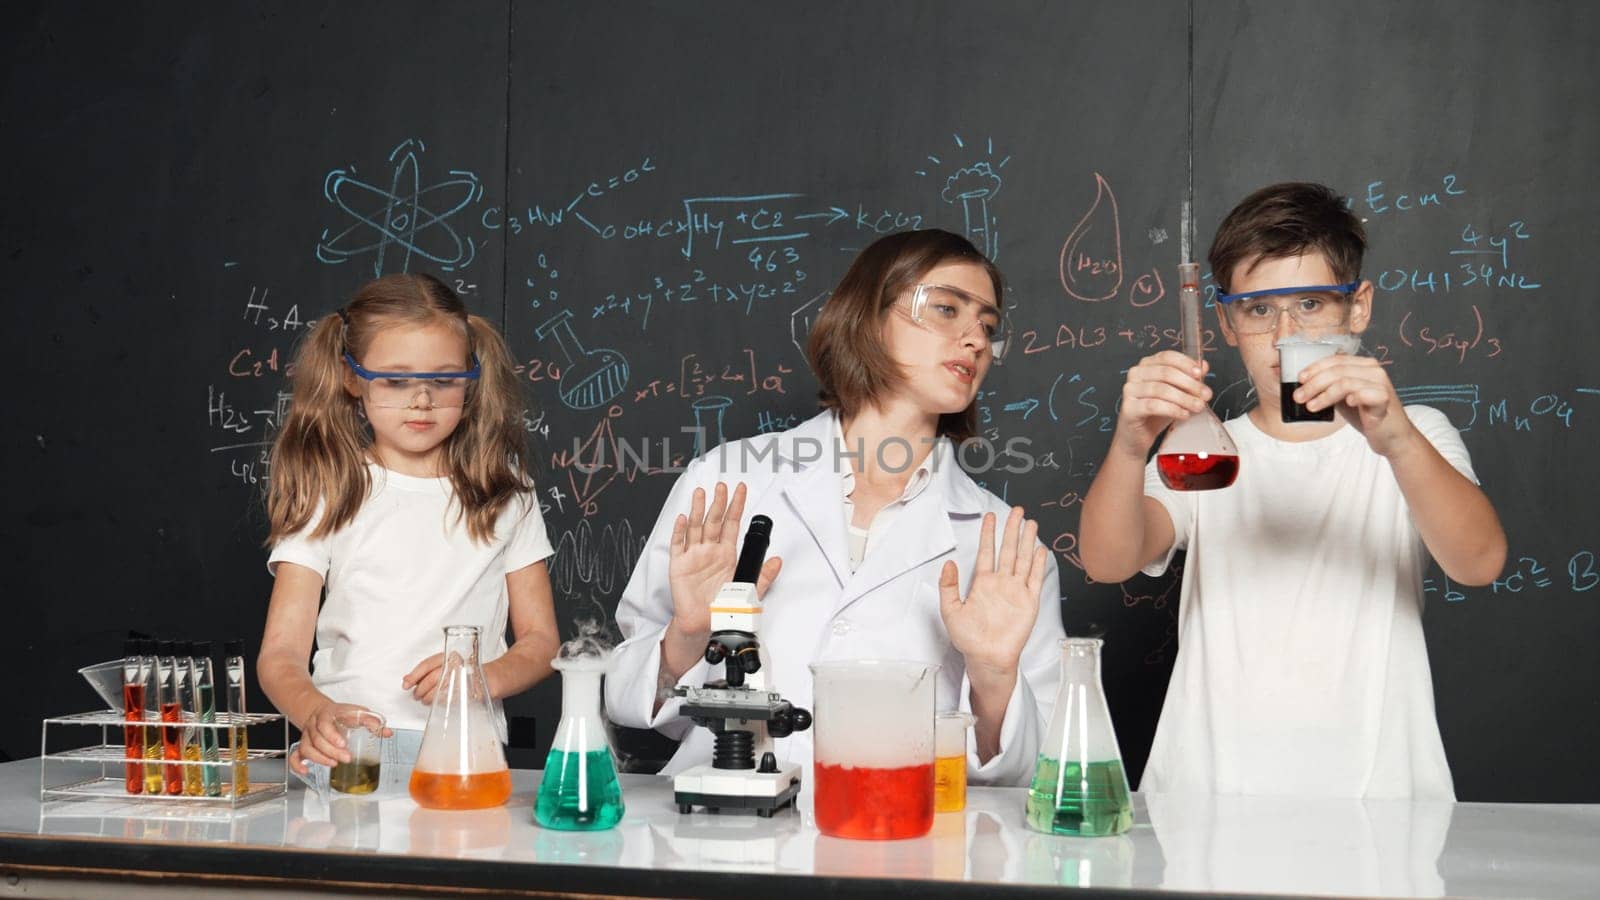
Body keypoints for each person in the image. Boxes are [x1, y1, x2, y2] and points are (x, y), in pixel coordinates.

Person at [1079, 182, 1506, 799]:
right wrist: (1128, 443)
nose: (1284, 335)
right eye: (1258, 310)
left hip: (1378, 800)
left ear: (1357, 309)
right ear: (1226, 321)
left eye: (1310, 304)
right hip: (1208, 798)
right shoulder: (1207, 450)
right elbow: (1108, 558)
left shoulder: (1415, 437)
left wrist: (1397, 440)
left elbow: (1479, 562)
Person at [607, 229, 1065, 785]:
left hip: (901, 843)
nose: (975, 340)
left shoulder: (1007, 550)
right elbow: (623, 696)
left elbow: (1037, 769)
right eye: (947, 309)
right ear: (868, 317)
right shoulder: (730, 481)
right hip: (724, 829)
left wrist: (993, 677)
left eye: (989, 328)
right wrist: (688, 633)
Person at [258, 273, 560, 781]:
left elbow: (540, 642)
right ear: (352, 377)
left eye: (444, 380)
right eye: (396, 380)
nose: (421, 400)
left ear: (471, 377)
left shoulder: (506, 493)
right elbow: (281, 652)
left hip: (466, 750)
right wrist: (314, 713)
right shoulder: (330, 489)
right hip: (350, 747)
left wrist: (480, 678)